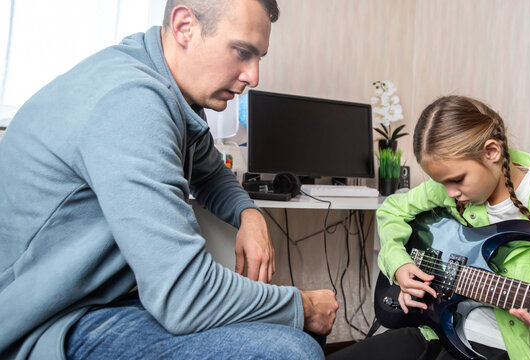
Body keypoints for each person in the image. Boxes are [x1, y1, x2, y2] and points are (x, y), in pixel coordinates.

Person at [0, 0, 338, 359]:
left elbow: (211, 173)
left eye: (259, 58)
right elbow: (186, 296)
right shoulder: (131, 102)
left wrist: (248, 214)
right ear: (183, 26)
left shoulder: (173, 92)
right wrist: (302, 305)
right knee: (291, 349)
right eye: (242, 52)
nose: (253, 76)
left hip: (105, 298)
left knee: (295, 327)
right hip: (47, 321)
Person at [329, 95, 530, 359]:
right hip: (438, 328)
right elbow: (392, 209)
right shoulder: (449, 190)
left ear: (492, 152)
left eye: (456, 180)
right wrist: (399, 264)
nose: (448, 193)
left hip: (510, 349)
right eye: (441, 183)